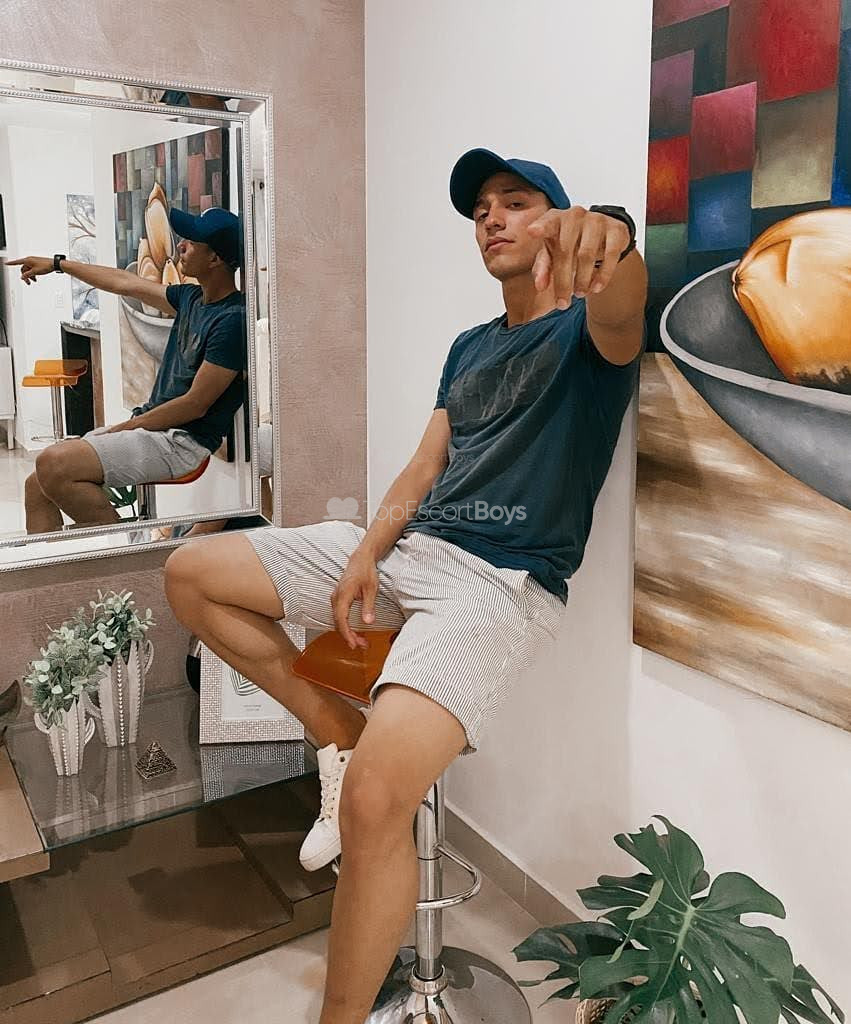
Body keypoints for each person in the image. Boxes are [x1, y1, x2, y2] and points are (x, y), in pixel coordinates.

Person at [162, 147, 648, 1024]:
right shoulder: (469, 346)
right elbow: (424, 467)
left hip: (498, 584)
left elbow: (623, 299)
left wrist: (610, 238)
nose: (491, 218)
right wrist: (364, 554)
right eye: (480, 210)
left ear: (557, 219)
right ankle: (337, 731)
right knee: (191, 573)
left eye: (515, 202)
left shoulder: (590, 335)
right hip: (411, 552)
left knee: (376, 802)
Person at [7, 207, 246, 534]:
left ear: (215, 258)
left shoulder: (232, 320)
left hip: (183, 442)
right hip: (155, 429)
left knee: (53, 464)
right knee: (36, 485)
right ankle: (58, 569)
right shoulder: (191, 299)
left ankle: (126, 554)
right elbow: (124, 282)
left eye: (191, 243)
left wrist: (131, 425)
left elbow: (196, 404)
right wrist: (58, 264)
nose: (180, 246)